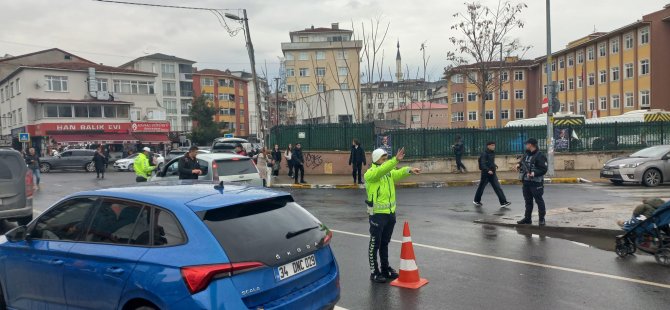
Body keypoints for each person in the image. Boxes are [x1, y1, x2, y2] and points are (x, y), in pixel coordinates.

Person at [365, 147, 421, 283]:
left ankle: (385, 269)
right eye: (383, 159)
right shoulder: (371, 173)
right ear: (376, 159)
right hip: (377, 215)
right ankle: (374, 272)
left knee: (385, 243)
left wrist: (409, 170)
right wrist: (395, 160)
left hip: (390, 214)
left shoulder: (388, 172)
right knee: (375, 244)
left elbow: (397, 173)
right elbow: (382, 170)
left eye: (386, 159)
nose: (385, 161)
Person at [516, 138, 548, 225]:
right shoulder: (526, 153)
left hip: (536, 182)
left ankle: (542, 219)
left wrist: (534, 173)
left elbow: (543, 169)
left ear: (531, 144)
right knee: (528, 201)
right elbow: (522, 162)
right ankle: (527, 219)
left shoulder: (540, 155)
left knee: (539, 200)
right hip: (526, 182)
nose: (526, 145)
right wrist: (518, 165)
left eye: (527, 144)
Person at [473, 141, 511, 209]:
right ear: (488, 146)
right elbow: (483, 164)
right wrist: (488, 170)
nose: (494, 146)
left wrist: (494, 165)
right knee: (481, 188)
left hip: (492, 173)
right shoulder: (484, 154)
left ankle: (503, 202)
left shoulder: (492, 153)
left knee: (497, 187)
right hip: (486, 174)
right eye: (492, 145)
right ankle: (476, 200)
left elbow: (490, 162)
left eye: (494, 145)